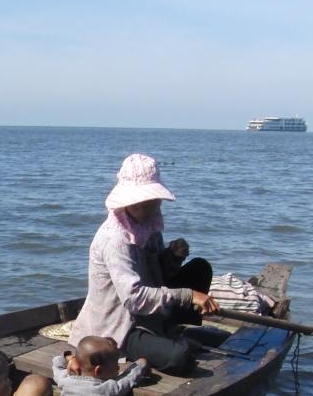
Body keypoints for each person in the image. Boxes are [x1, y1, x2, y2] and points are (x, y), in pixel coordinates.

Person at [68, 153, 220, 375]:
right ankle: (165, 342)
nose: (149, 205)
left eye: (153, 199)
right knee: (180, 358)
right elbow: (134, 299)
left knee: (200, 268)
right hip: (120, 326)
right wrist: (188, 296)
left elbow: (158, 276)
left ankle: (169, 331)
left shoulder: (149, 226)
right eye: (142, 201)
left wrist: (172, 257)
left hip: (150, 315)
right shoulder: (115, 239)